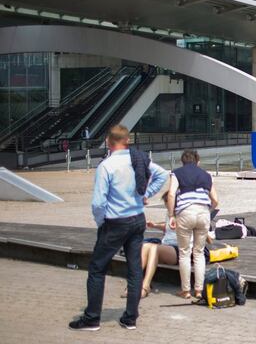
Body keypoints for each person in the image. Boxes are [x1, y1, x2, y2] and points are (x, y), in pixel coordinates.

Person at [69, 124, 168, 331]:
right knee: (134, 269)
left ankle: (92, 318)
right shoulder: (138, 159)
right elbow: (162, 174)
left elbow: (98, 203)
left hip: (115, 222)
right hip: (137, 219)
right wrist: (146, 194)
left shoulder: (106, 166)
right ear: (127, 140)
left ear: (108, 141)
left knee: (97, 268)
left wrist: (101, 222)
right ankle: (130, 318)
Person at [167, 150, 219, 299]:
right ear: (198, 162)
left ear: (182, 162)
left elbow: (171, 194)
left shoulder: (177, 173)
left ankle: (186, 290)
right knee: (199, 252)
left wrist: (171, 215)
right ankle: (198, 289)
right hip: (203, 213)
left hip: (185, 212)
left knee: (184, 252)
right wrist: (208, 210)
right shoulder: (206, 175)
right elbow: (215, 200)